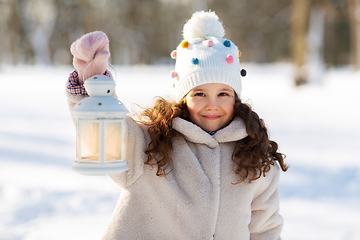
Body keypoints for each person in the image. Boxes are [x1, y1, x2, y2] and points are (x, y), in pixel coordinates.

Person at [66, 10, 288, 240]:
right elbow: (109, 141)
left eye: (223, 93)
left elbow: (264, 230)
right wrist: (92, 89)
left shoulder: (254, 156)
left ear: (236, 98)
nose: (212, 105)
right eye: (199, 93)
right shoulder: (152, 144)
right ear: (183, 97)